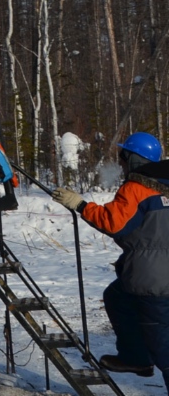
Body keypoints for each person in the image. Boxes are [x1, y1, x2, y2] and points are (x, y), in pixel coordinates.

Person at [53, 132, 169, 386]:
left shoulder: (138, 188)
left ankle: (141, 357)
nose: (120, 164)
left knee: (164, 346)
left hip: (154, 280)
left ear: (133, 159)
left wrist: (81, 205)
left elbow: (114, 223)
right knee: (117, 296)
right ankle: (136, 357)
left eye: (123, 158)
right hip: (153, 274)